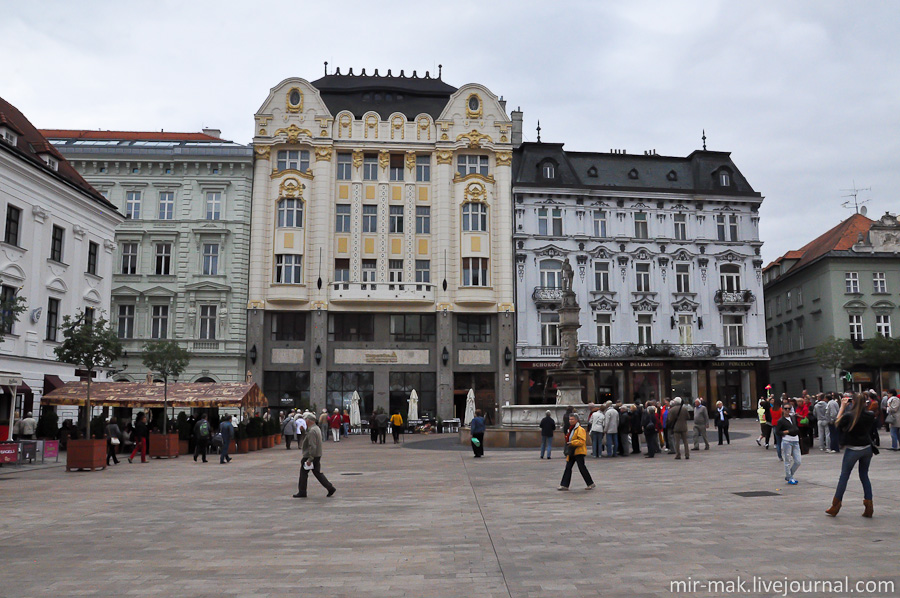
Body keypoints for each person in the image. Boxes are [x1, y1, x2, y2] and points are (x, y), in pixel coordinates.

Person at [826, 393, 877, 517]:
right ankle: (869, 505)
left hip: (853, 449)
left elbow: (836, 423)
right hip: (867, 448)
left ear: (852, 402)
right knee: (864, 475)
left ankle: (835, 505)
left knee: (844, 476)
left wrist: (842, 407)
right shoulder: (870, 415)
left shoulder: (849, 415)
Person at [294, 412, 336, 499]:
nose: (304, 421)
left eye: (305, 420)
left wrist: (310, 459)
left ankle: (302, 492)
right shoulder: (316, 428)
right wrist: (304, 431)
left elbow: (312, 445)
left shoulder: (312, 431)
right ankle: (330, 487)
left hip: (310, 455)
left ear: (309, 420)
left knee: (303, 473)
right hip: (317, 454)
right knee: (317, 473)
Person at [558, 413, 595, 491]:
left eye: (572, 419)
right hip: (572, 451)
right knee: (568, 467)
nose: (570, 421)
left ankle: (590, 483)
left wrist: (572, 442)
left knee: (582, 468)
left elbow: (582, 441)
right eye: (569, 419)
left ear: (576, 420)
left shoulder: (580, 429)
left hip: (578, 451)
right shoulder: (571, 429)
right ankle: (564, 485)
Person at [776, 403, 802, 485]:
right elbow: (777, 432)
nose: (787, 410)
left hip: (795, 440)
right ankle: (790, 477)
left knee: (798, 461)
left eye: (789, 408)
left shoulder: (793, 418)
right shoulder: (781, 421)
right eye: (786, 408)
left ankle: (789, 475)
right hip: (787, 440)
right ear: (783, 409)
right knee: (787, 460)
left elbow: (796, 428)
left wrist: (790, 431)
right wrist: (786, 432)